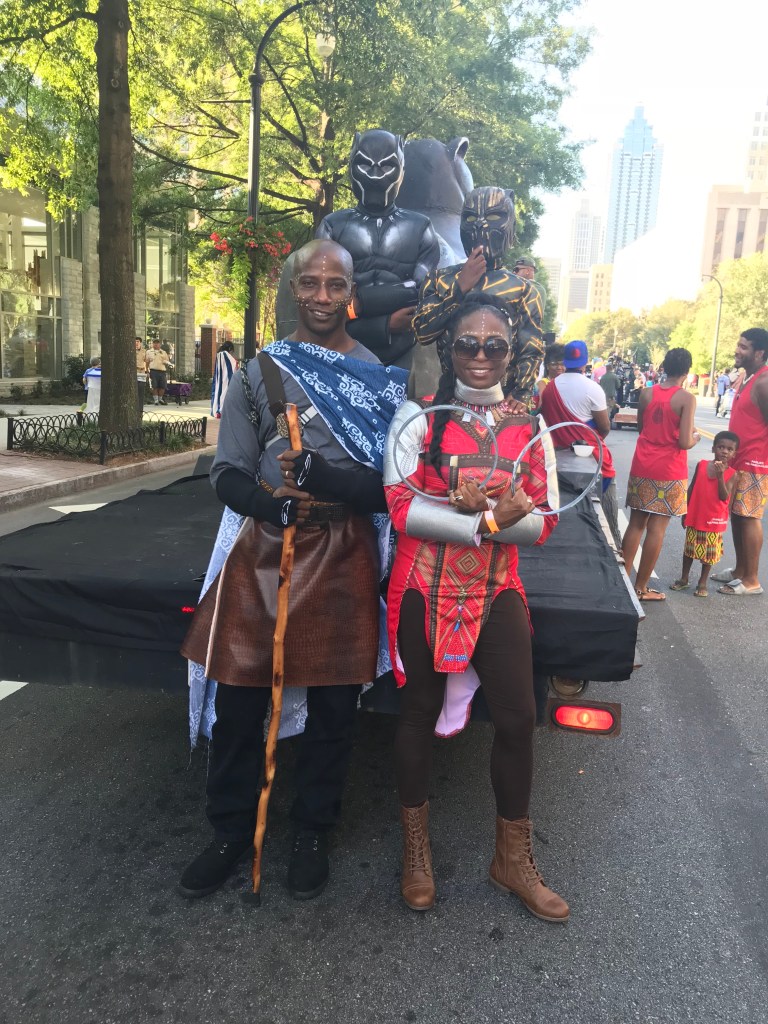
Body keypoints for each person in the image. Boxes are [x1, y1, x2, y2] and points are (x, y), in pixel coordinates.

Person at [179, 240, 408, 901]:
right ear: (294, 288)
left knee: (335, 710)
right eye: (310, 283)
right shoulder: (261, 371)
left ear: (352, 294)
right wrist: (269, 505)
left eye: (336, 285)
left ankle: (312, 832)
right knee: (239, 702)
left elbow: (392, 488)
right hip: (265, 552)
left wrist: (329, 479)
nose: (322, 296)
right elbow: (227, 472)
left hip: (344, 550)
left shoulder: (378, 379)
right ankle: (229, 832)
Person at [383, 299, 568, 922]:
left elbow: (544, 521)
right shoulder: (417, 417)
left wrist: (488, 517)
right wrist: (489, 520)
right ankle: (416, 853)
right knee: (417, 712)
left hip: (496, 588)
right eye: (468, 344)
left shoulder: (532, 425)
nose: (481, 355)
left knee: (519, 718)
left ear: (512, 353)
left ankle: (512, 860)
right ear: (448, 349)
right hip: (423, 583)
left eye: (495, 345)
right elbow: (400, 506)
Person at [413, 186, 544, 403]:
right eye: (471, 217)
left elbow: (531, 347)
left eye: (493, 216)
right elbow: (422, 332)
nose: (481, 224)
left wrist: (522, 392)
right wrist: (459, 289)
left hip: (502, 401)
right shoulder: (439, 279)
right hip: (451, 397)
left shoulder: (523, 289)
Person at [621, 348, 700, 601]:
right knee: (657, 528)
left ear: (664, 366)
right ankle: (641, 588)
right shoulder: (686, 399)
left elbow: (642, 428)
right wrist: (696, 437)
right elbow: (685, 442)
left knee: (635, 524)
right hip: (669, 470)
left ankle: (621, 584)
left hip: (642, 464)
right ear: (687, 372)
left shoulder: (647, 393)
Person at [539, 340, 620, 547]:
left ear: (565, 361)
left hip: (555, 459)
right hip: (591, 458)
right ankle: (612, 545)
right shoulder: (593, 388)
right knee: (606, 511)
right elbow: (604, 427)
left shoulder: (549, 388)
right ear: (585, 363)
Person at [713, 328, 768, 596]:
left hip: (755, 464)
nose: (737, 350)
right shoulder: (748, 378)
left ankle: (752, 580)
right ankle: (740, 571)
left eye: (744, 347)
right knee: (737, 516)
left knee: (749, 517)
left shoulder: (764, 382)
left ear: (759, 353)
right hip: (739, 461)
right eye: (738, 344)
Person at [669, 431, 739, 597]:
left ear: (734, 454)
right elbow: (692, 487)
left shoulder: (732, 474)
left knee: (709, 555)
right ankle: (684, 578)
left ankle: (702, 582)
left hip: (714, 520)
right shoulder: (701, 465)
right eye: (721, 447)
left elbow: (724, 496)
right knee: (689, 550)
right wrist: (685, 511)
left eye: (729, 449)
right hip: (696, 516)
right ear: (713, 448)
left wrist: (720, 476)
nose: (724, 451)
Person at [532, 343, 565, 411]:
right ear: (547, 366)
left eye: (562, 364)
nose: (559, 367)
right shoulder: (542, 384)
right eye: (554, 364)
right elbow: (540, 406)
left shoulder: (568, 382)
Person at [210, 340, 237, 418]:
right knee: (224, 393)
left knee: (219, 393)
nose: (231, 353)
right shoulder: (224, 354)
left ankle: (218, 410)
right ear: (230, 348)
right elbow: (233, 362)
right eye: (231, 351)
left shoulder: (219, 354)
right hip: (225, 378)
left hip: (220, 378)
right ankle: (221, 410)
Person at [146, 339, 172, 405]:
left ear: (159, 344)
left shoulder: (163, 352)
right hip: (153, 371)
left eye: (157, 343)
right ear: (152, 344)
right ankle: (156, 400)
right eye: (154, 343)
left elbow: (167, 361)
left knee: (162, 386)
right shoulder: (149, 352)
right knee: (154, 386)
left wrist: (167, 363)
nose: (156, 344)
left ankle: (160, 399)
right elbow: (147, 362)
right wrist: (147, 371)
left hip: (162, 371)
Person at [135, 337, 148, 412]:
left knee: (141, 390)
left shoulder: (144, 351)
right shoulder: (130, 351)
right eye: (135, 341)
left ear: (140, 343)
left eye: (138, 341)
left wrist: (147, 371)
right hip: (134, 372)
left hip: (142, 372)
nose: (136, 343)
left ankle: (140, 409)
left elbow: (147, 362)